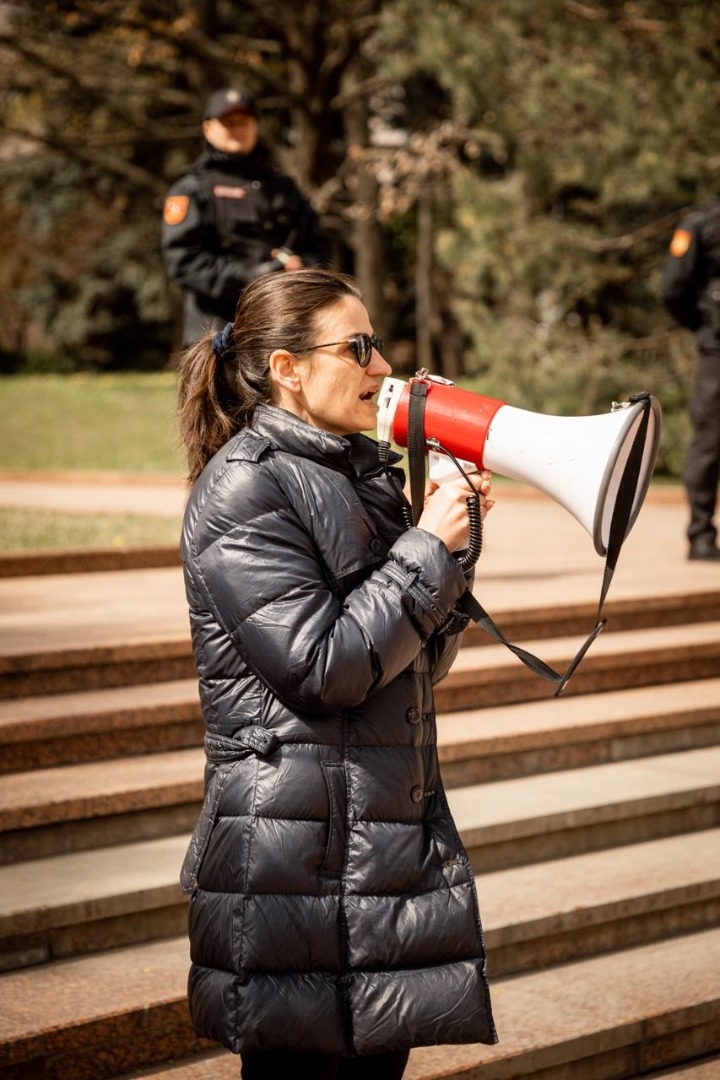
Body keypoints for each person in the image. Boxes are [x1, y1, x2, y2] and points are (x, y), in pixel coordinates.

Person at [176, 267, 498, 1079]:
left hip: (374, 846)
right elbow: (326, 668)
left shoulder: (361, 474)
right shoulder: (244, 488)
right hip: (294, 864)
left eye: (376, 344)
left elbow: (413, 663)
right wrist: (425, 547)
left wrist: (451, 547)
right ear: (287, 367)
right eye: (358, 347)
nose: (382, 366)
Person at [162, 86, 328, 346]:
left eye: (245, 121)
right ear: (208, 128)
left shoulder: (283, 186)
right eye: (228, 122)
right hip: (214, 333)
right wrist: (253, 275)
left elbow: (317, 244)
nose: (238, 128)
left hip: (278, 328)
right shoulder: (192, 188)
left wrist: (299, 267)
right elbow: (183, 263)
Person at [662, 204, 720, 561]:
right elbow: (673, 288)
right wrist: (703, 327)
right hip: (717, 350)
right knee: (709, 443)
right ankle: (701, 535)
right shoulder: (703, 225)